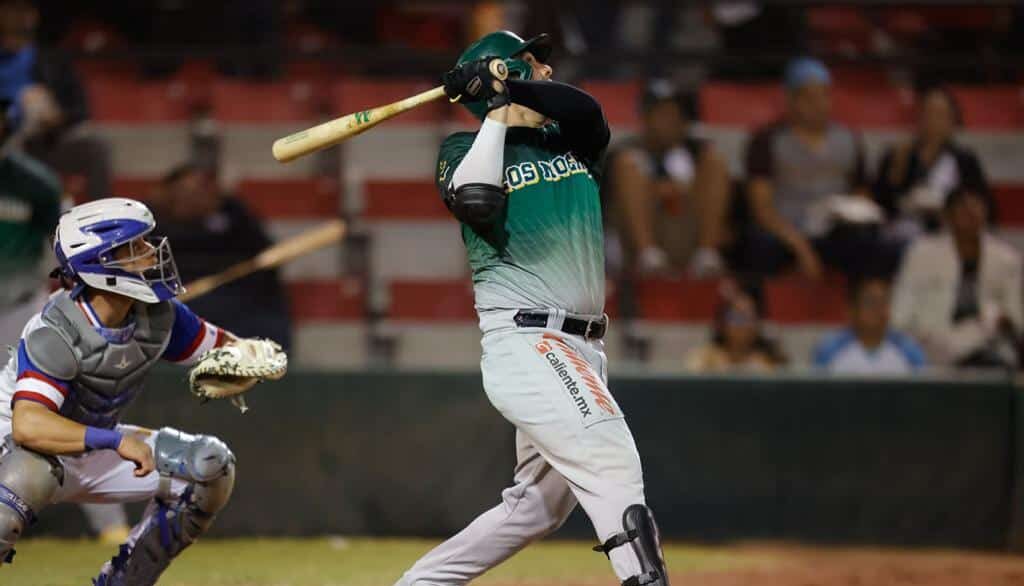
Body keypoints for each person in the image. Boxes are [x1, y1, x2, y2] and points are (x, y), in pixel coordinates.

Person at [396, 31, 670, 586]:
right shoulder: (459, 149)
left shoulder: (570, 139)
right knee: (612, 459)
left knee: (536, 510)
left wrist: (505, 82)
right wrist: (495, 111)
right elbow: (476, 201)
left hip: (583, 347)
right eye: (529, 60)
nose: (544, 67)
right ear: (492, 73)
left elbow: (587, 110)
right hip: (528, 340)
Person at [0, 197, 281, 584]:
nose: (152, 253)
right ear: (100, 263)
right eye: (136, 247)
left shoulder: (158, 315)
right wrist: (113, 441)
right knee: (27, 475)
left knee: (209, 466)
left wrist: (251, 355)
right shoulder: (56, 331)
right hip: (16, 448)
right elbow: (29, 426)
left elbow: (223, 348)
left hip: (90, 446)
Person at [0, 100, 133, 544]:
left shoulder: (35, 182)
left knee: (67, 407)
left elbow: (66, 245)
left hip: (21, 306)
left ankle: (110, 525)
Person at [741, 57, 897, 280]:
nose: (819, 104)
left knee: (874, 245)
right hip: (787, 230)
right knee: (760, 245)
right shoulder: (766, 141)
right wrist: (800, 245)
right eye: (810, 97)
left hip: (834, 229)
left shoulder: (849, 139)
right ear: (791, 100)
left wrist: (853, 213)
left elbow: (862, 192)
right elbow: (762, 207)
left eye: (824, 95)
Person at [148, 162, 292, 349]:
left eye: (201, 191)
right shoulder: (151, 229)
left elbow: (265, 260)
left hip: (235, 303)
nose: (195, 198)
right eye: (187, 192)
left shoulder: (237, 219)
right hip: (179, 303)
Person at [605, 79, 731, 277]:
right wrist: (657, 190)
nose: (671, 121)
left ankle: (707, 254)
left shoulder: (699, 153)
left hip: (686, 234)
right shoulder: (623, 152)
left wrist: (682, 190)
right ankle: (649, 256)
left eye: (676, 115)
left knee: (715, 163)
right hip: (636, 241)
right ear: (645, 118)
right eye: (663, 114)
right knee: (628, 166)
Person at [892, 188, 1022, 369]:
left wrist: (1001, 320)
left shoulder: (1006, 259)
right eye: (963, 208)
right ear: (947, 216)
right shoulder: (921, 254)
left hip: (987, 344)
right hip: (931, 343)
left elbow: (1016, 315)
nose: (971, 213)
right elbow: (901, 312)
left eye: (977, 207)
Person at [0, 0, 110, 200]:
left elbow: (80, 109)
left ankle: (101, 220)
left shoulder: (53, 59)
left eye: (27, 9)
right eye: (13, 9)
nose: (20, 16)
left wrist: (57, 117)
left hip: (39, 142)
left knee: (95, 148)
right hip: (5, 134)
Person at [874, 86, 992, 238]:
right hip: (904, 234)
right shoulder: (897, 155)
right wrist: (895, 175)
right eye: (929, 113)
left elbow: (984, 206)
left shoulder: (965, 160)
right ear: (919, 117)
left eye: (941, 114)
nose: (934, 120)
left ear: (953, 121)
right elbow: (881, 205)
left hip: (949, 234)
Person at [813, 277, 926, 375]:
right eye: (870, 302)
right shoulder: (830, 350)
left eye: (883, 302)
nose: (877, 309)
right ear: (852, 310)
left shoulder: (909, 350)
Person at [685, 289, 786, 373]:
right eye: (736, 317)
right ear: (723, 323)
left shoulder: (771, 359)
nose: (742, 325)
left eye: (748, 318)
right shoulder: (706, 355)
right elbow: (691, 371)